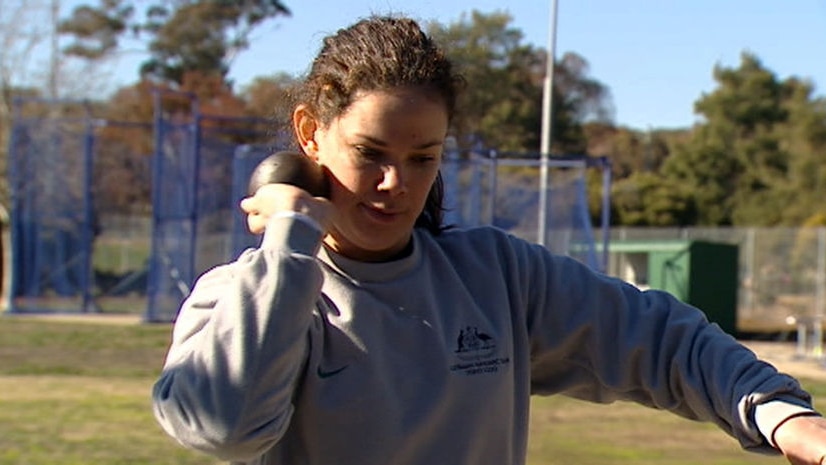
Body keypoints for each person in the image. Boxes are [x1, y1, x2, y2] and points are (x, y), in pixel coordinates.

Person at [151, 15, 826, 465]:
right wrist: (294, 241)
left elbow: (659, 338)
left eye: (424, 156)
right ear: (308, 132)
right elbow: (224, 425)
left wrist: (784, 417)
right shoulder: (245, 293)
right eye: (370, 152)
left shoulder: (495, 276)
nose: (395, 182)